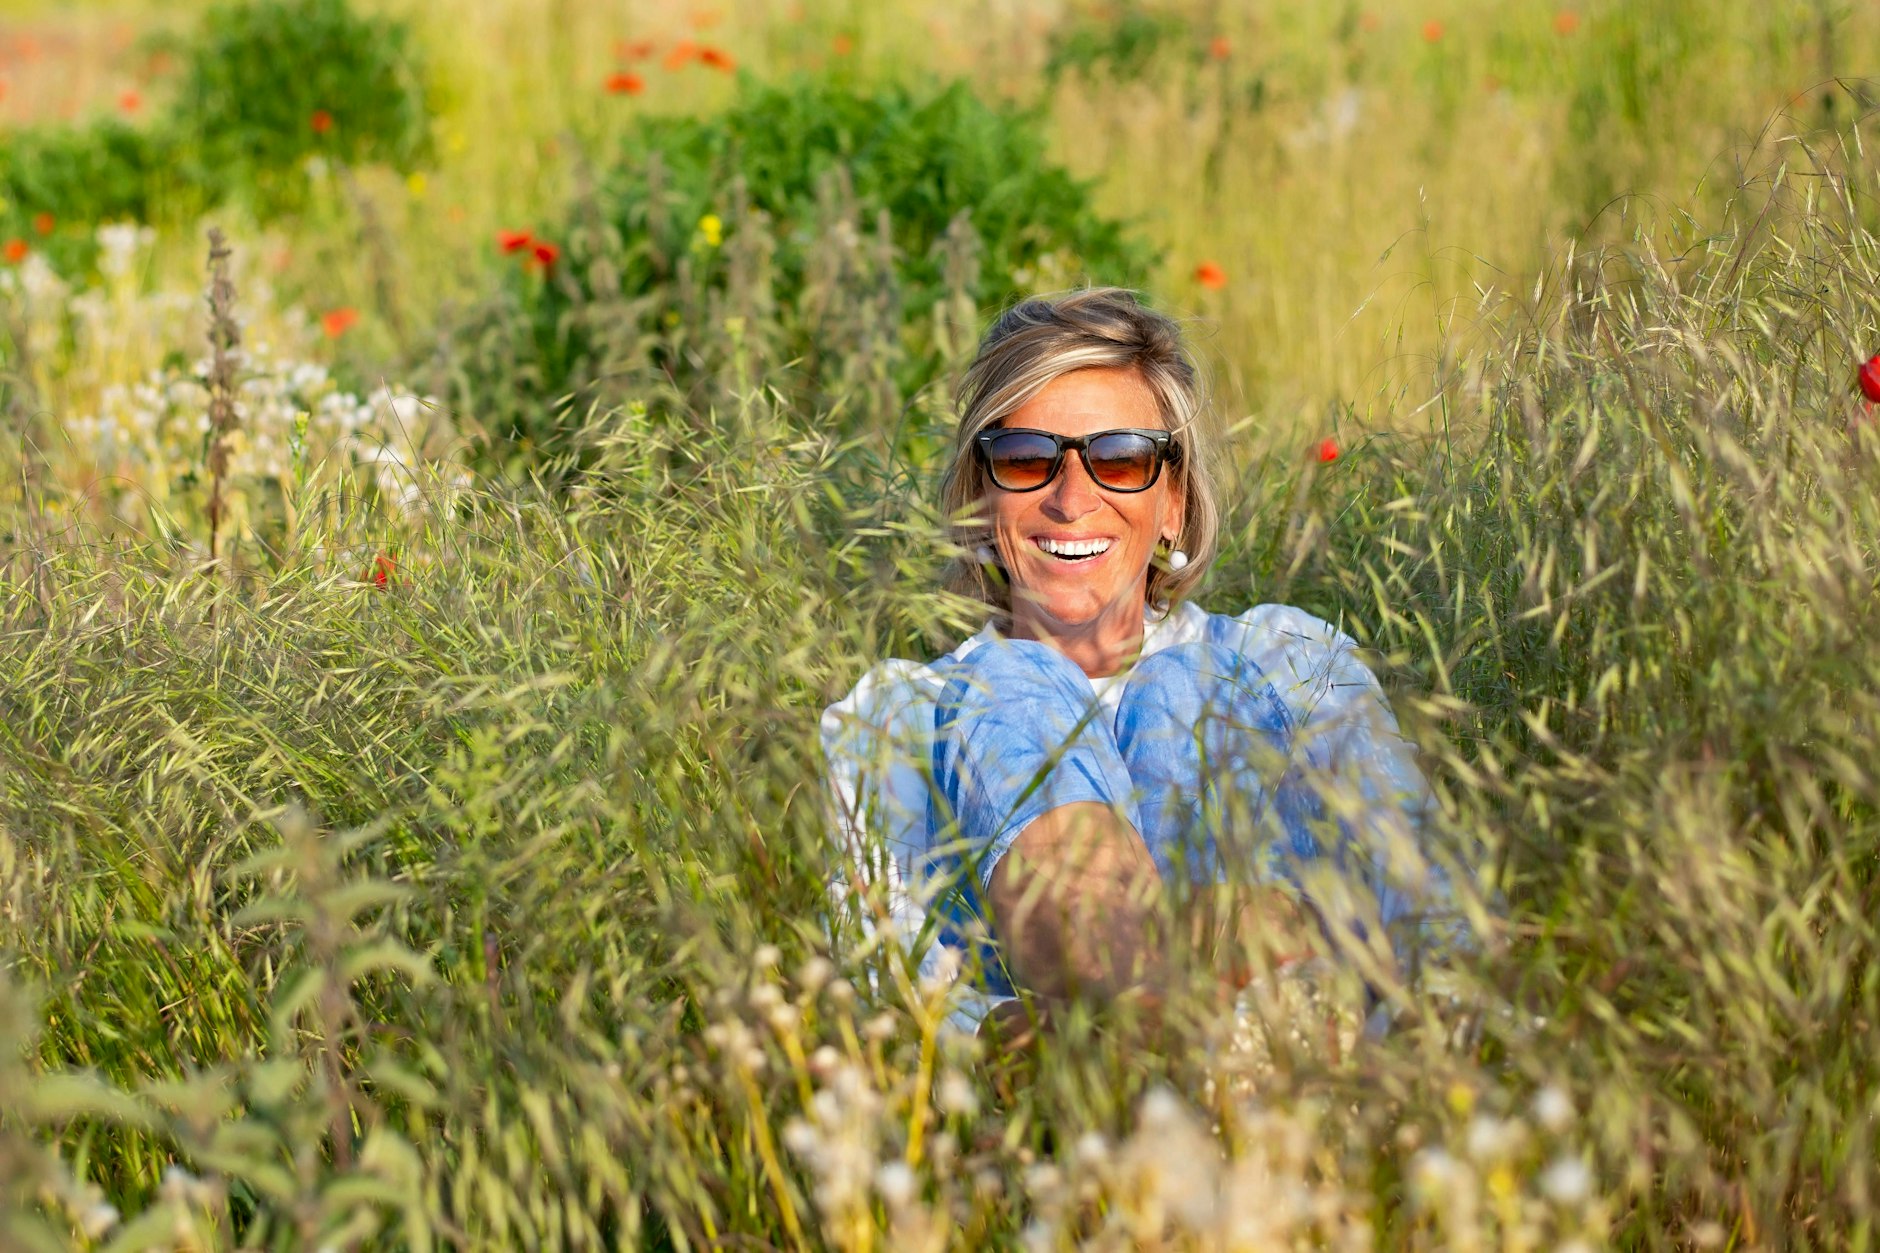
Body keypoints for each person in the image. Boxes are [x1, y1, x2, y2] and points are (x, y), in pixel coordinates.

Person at [821, 288, 1461, 1038]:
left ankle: (1178, 1032)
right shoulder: (896, 714)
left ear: (1174, 503)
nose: (1071, 499)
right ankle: (1162, 1033)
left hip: (1323, 1072)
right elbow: (891, 997)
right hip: (1052, 1093)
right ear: (981, 497)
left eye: (1121, 460)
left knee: (1185, 686)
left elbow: (1426, 907)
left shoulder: (1289, 662)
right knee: (1013, 682)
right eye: (1026, 459)